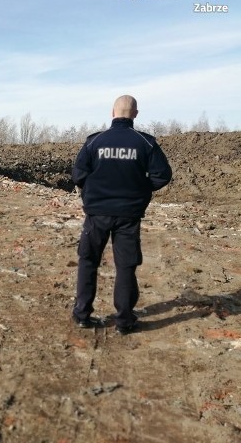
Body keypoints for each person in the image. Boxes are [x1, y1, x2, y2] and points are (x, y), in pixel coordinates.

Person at [71, 95, 172, 335]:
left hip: (97, 214)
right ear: (135, 114)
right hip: (129, 215)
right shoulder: (145, 143)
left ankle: (82, 315)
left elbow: (78, 174)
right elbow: (162, 175)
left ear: (112, 112)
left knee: (88, 261)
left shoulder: (95, 141)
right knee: (126, 266)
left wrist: (93, 191)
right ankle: (125, 321)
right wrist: (140, 190)